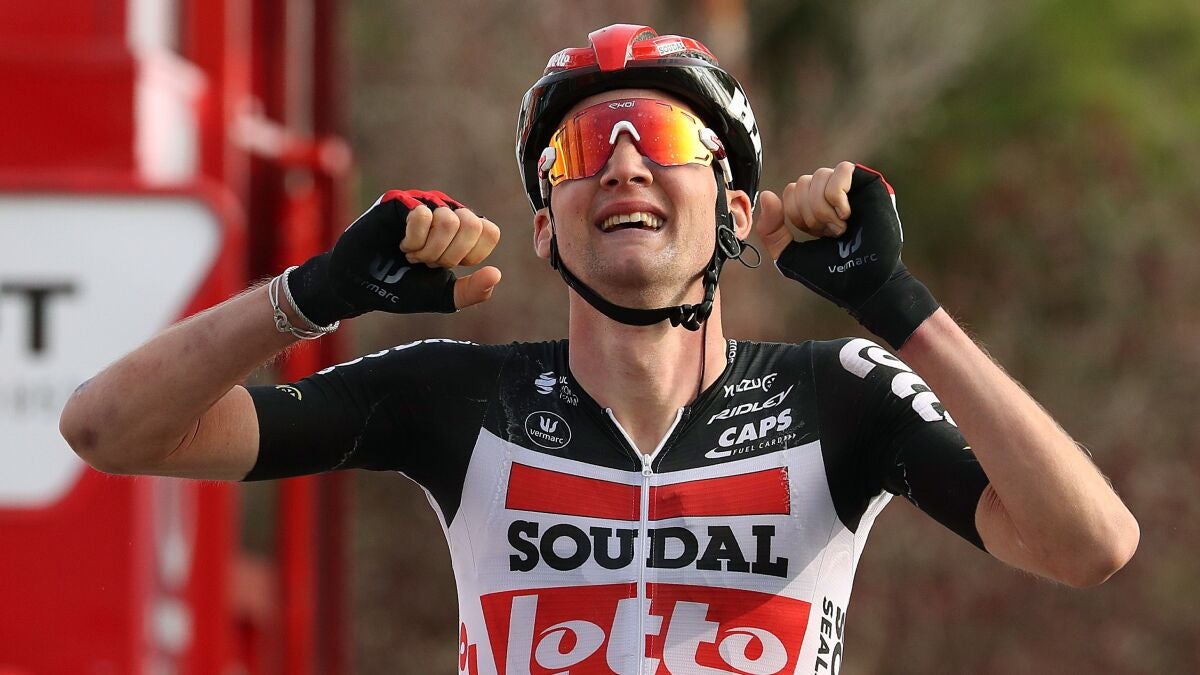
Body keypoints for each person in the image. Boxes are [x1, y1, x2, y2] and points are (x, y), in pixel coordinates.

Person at [61, 23, 1137, 674]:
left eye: (662, 139)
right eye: (582, 149)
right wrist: (314, 295)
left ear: (735, 208)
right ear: (546, 229)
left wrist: (900, 308)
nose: (622, 166)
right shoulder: (454, 393)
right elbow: (109, 429)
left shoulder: (841, 395)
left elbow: (1089, 546)